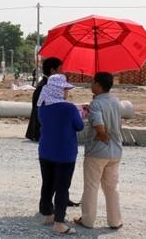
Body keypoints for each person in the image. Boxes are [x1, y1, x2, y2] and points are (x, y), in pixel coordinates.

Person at [74, 72, 123, 230]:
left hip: (98, 152)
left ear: (99, 85)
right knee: (111, 188)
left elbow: (99, 127)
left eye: (93, 82)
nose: (91, 85)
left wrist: (101, 136)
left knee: (91, 186)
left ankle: (88, 220)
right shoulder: (116, 101)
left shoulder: (96, 104)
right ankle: (115, 221)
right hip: (115, 151)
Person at [37, 74, 84, 235]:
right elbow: (79, 126)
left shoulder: (42, 106)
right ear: (58, 90)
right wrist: (81, 113)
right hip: (65, 153)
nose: (66, 92)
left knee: (48, 184)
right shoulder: (69, 108)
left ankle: (48, 214)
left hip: (45, 151)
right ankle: (59, 223)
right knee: (62, 188)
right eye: (64, 89)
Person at [26, 57, 63, 142]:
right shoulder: (44, 87)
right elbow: (40, 111)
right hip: (42, 132)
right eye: (60, 70)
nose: (62, 73)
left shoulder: (48, 85)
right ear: (52, 71)